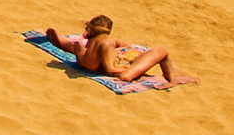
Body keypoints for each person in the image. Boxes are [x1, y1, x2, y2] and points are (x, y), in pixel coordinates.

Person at [46, 16, 175, 83]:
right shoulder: (106, 43)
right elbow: (110, 69)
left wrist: (55, 33)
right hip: (118, 73)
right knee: (161, 50)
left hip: (89, 65)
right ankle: (171, 79)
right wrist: (126, 68)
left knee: (128, 52)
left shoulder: (84, 44)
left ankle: (172, 77)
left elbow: (67, 45)